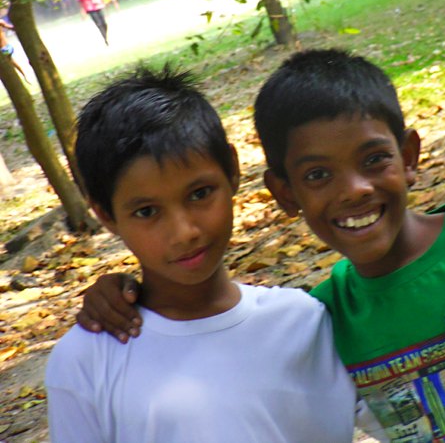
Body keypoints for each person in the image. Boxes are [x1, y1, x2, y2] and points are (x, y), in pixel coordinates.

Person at [76, 50, 445, 441]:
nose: (354, 189)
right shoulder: (323, 320)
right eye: (318, 174)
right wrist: (120, 292)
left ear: (409, 156)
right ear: (285, 193)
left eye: (374, 159)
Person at [44, 65, 358, 442]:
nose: (184, 232)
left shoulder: (307, 322)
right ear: (106, 216)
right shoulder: (87, 361)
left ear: (232, 170)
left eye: (199, 194)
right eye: (147, 211)